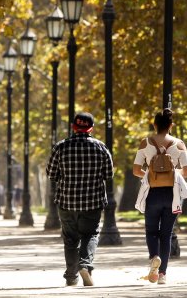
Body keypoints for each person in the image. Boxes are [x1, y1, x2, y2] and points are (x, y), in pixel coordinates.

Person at [46, 112, 114, 287]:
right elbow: (108, 175)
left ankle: (71, 276)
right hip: (93, 201)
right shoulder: (101, 147)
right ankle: (85, 264)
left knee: (70, 239)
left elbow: (51, 174)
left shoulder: (60, 147)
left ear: (73, 127)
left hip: (67, 201)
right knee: (90, 234)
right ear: (91, 128)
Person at [133, 108, 187, 285]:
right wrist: (173, 172)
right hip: (172, 194)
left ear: (155, 124)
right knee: (166, 234)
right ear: (171, 125)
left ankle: (154, 257)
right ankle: (163, 275)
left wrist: (150, 174)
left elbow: (136, 170)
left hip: (152, 193)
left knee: (151, 231)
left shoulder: (145, 143)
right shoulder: (179, 144)